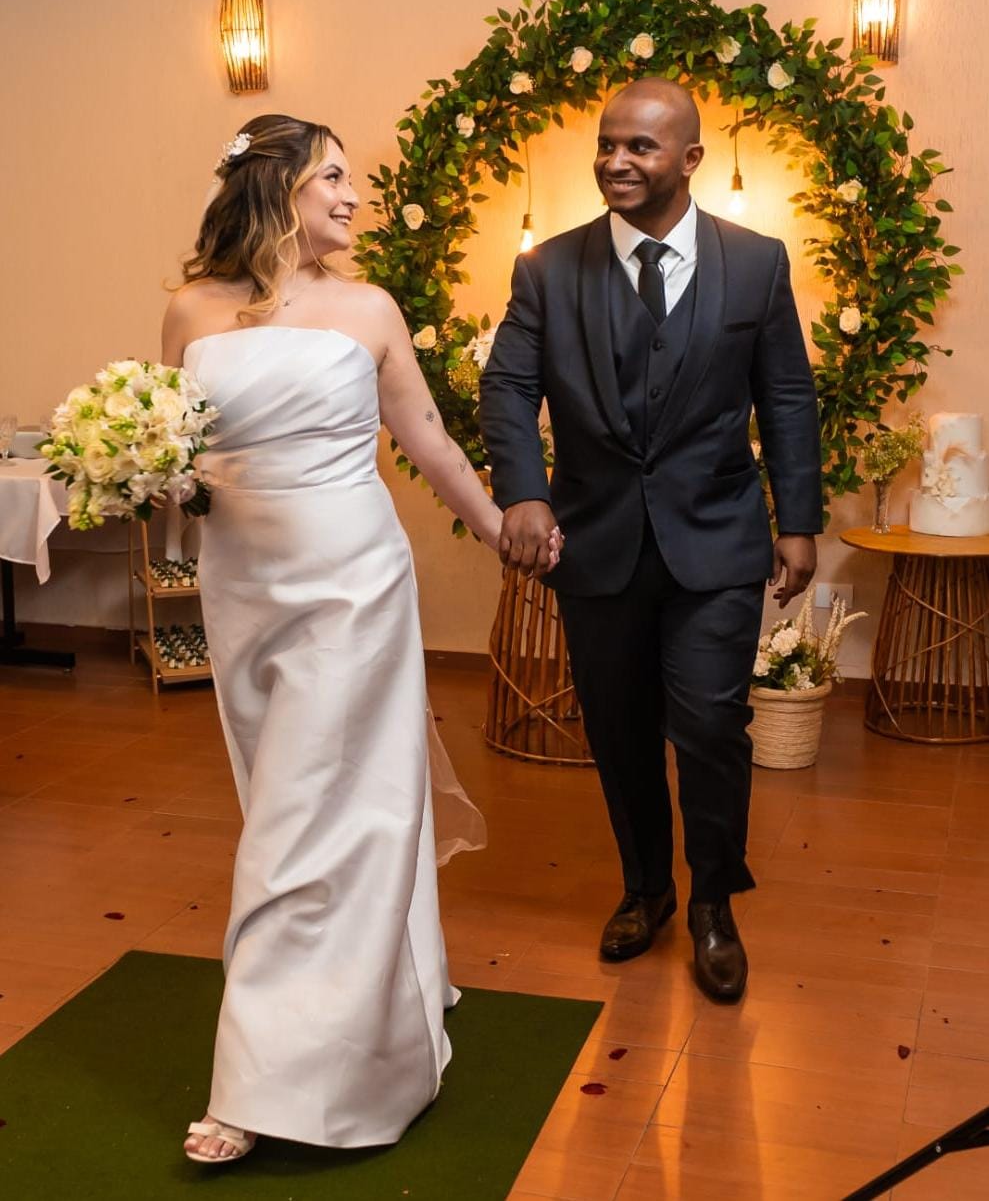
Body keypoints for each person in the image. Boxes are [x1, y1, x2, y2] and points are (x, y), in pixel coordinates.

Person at [161, 113, 559, 1162]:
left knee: (308, 819)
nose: (352, 197)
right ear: (277, 186)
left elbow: (427, 441)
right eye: (333, 176)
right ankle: (390, 987)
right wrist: (143, 476)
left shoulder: (369, 308)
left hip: (350, 588)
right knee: (287, 804)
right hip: (242, 589)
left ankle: (259, 1084)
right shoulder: (190, 310)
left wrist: (509, 533)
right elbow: (179, 455)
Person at [479, 79, 822, 1003]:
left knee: (710, 724)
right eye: (607, 144)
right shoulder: (548, 268)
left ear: (689, 159)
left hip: (716, 539)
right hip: (595, 543)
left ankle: (712, 901)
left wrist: (797, 519)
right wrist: (523, 493)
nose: (616, 161)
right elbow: (506, 386)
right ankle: (646, 890)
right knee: (618, 729)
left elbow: (785, 395)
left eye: (640, 146)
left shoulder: (754, 263)